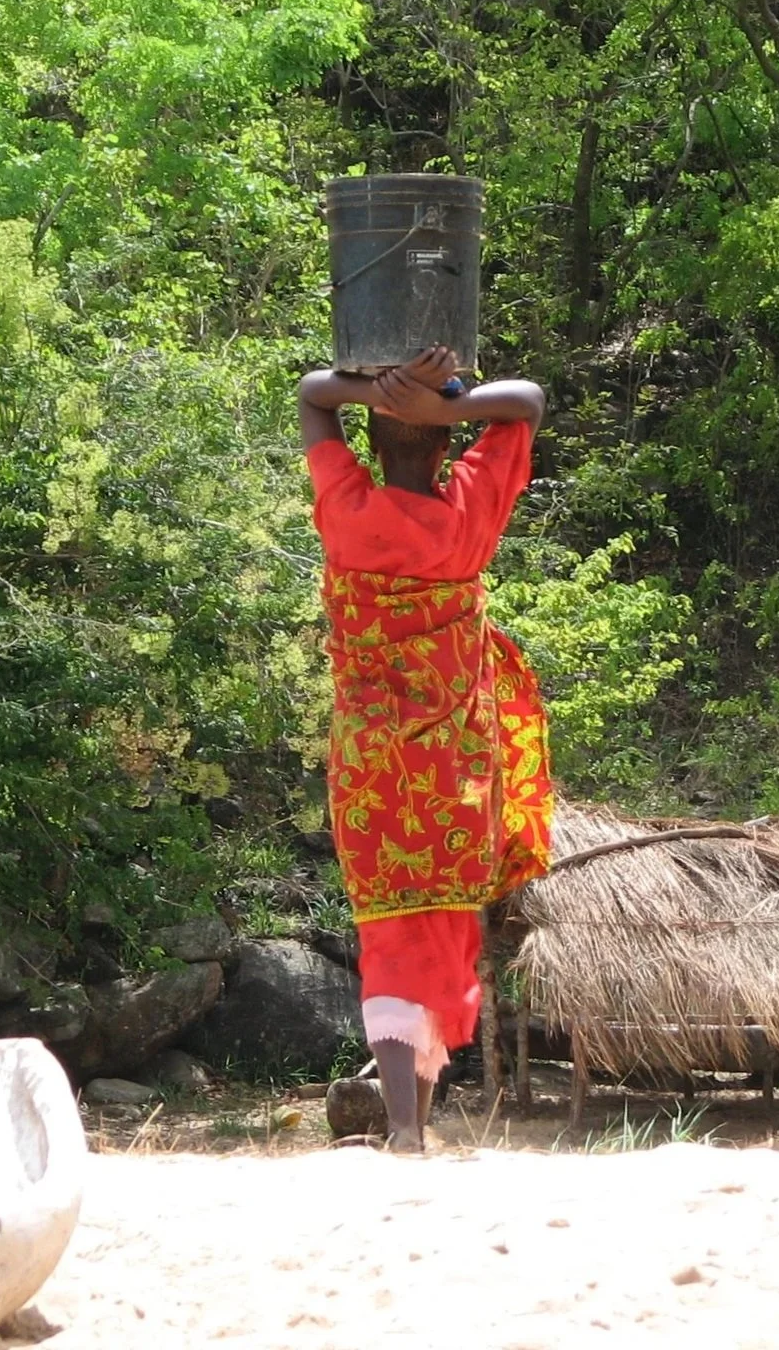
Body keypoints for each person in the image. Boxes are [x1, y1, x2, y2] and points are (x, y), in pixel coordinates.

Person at [298, 346, 555, 1153]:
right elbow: (530, 400)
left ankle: (405, 1127)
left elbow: (310, 395)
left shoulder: (348, 514)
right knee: (445, 929)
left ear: (369, 448)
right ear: (450, 448)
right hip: (456, 775)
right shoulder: (468, 516)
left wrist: (383, 391)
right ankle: (416, 1121)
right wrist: (443, 404)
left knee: (387, 932)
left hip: (372, 773)